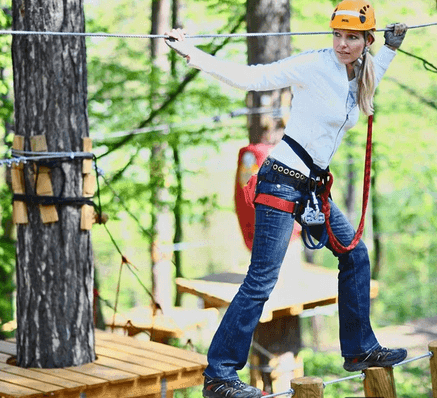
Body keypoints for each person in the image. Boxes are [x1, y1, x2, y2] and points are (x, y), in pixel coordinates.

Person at [165, 1, 408, 397]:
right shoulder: (315, 65)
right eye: (338, 35)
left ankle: (360, 349)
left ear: (366, 41)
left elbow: (372, 77)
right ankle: (219, 374)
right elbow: (252, 77)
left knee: (355, 254)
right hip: (281, 180)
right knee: (262, 279)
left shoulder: (358, 71)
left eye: (352, 38)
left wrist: (391, 50)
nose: (343, 44)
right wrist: (193, 53)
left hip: (312, 188)